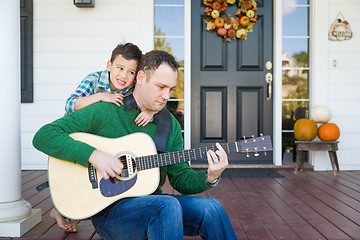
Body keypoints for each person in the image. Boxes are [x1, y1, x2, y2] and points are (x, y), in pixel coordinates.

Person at [33, 50, 238, 240]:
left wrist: (210, 177)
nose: (167, 96)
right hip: (110, 212)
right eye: (161, 87)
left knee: (212, 208)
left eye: (171, 89)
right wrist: (94, 155)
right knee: (166, 205)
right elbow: (44, 135)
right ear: (141, 78)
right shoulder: (107, 110)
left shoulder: (170, 125)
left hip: (153, 202)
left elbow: (180, 178)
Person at [51, 43, 156, 232]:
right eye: (120, 68)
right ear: (109, 65)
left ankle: (74, 211)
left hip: (100, 139)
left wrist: (151, 111)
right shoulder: (94, 79)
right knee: (68, 171)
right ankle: (60, 208)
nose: (124, 76)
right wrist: (100, 96)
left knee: (89, 177)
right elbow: (70, 104)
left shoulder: (130, 88)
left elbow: (150, 96)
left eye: (131, 72)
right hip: (77, 134)